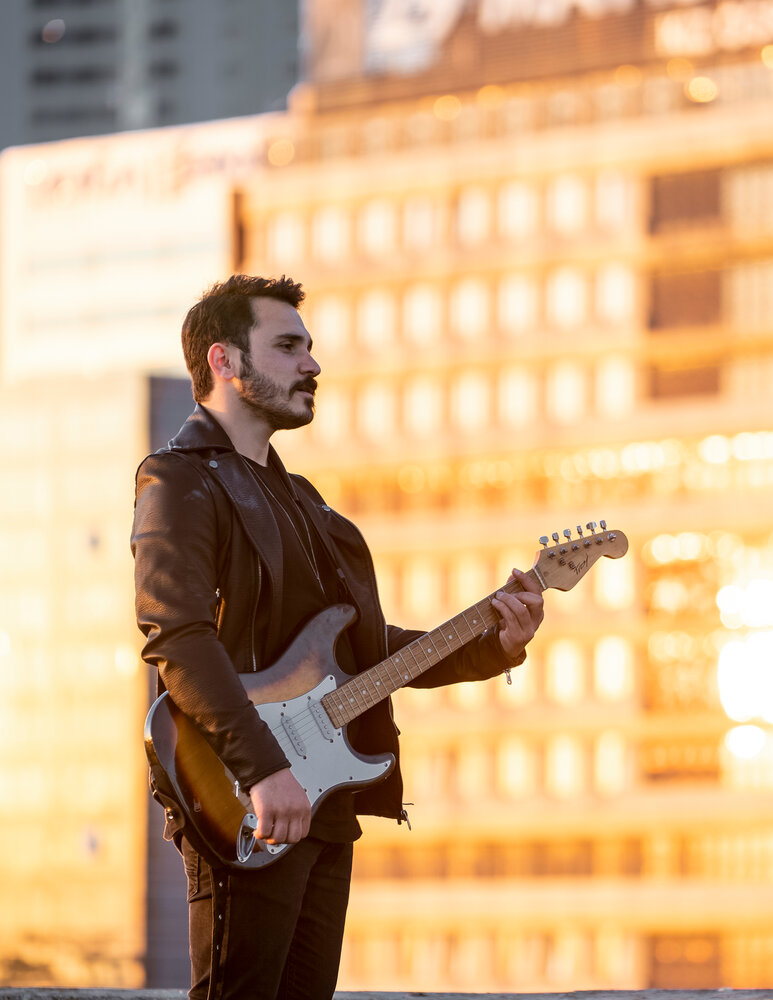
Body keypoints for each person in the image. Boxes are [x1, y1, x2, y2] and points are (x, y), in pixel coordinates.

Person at [131, 274, 544, 1000]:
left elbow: (368, 652)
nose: (312, 365)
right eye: (288, 347)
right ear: (224, 362)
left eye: (309, 347)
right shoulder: (177, 480)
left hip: (324, 803)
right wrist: (262, 770)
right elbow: (179, 636)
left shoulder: (310, 510)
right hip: (248, 795)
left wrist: (494, 640)